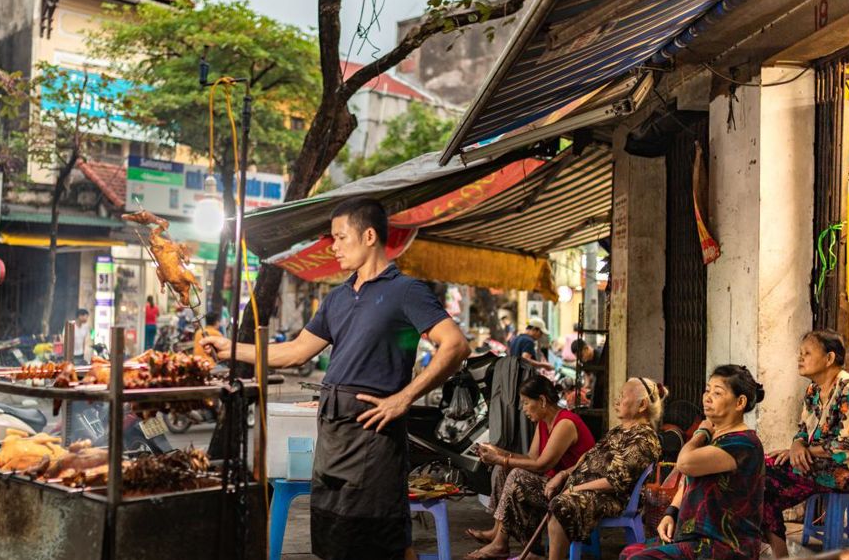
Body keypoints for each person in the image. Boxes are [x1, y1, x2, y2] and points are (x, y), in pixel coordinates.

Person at [202, 197, 470, 560]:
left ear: (370, 236)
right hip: (331, 433)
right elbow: (294, 352)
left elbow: (454, 345)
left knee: (380, 537)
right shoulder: (337, 298)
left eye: (341, 237)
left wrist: (404, 397)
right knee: (333, 536)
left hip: (374, 435)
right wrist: (230, 349)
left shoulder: (406, 291)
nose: (335, 247)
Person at [621, 365, 766, 559]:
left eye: (717, 393)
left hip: (723, 544)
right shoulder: (718, 437)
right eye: (707, 390)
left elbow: (685, 463)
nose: (707, 397)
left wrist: (701, 432)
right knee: (629, 552)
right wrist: (671, 513)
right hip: (694, 538)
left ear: (739, 402)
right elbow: (689, 478)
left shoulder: (742, 443)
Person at [761, 330, 849, 558]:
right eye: (800, 353)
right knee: (759, 473)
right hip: (818, 462)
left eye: (807, 353)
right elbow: (803, 430)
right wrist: (796, 446)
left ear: (829, 358)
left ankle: (779, 554)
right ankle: (779, 553)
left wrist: (805, 451)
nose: (800, 358)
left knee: (764, 476)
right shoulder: (813, 390)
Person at [464, 375, 596, 559]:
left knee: (517, 474)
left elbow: (542, 464)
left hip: (571, 488)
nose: (524, 409)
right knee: (505, 470)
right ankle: (498, 532)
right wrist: (499, 453)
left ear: (542, 400)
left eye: (526, 403)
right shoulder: (543, 423)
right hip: (553, 485)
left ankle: (500, 543)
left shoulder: (565, 422)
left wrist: (501, 459)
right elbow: (531, 458)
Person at [541, 378, 664, 560]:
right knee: (526, 483)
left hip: (610, 498)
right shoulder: (617, 431)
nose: (617, 401)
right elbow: (588, 458)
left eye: (623, 396)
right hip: (580, 486)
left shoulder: (644, 439)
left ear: (642, 405)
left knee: (561, 505)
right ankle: (531, 551)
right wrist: (563, 474)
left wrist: (574, 489)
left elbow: (615, 481)